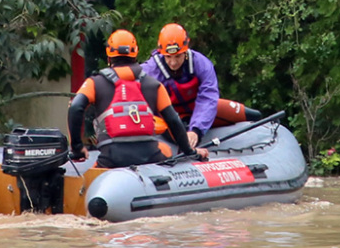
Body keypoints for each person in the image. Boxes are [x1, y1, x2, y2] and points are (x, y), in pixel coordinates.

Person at [67, 30, 206, 168]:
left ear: (109, 57)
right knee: (166, 149)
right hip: (150, 155)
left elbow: (75, 107)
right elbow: (173, 120)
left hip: (112, 157)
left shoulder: (95, 83)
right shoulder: (154, 85)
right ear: (135, 54)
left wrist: (78, 148)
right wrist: (190, 151)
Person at [141, 23, 262, 150]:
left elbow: (208, 98)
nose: (173, 62)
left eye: (178, 56)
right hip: (170, 116)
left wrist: (196, 130)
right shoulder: (150, 69)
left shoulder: (201, 64)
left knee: (252, 115)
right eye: (168, 57)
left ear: (185, 51)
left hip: (198, 108)